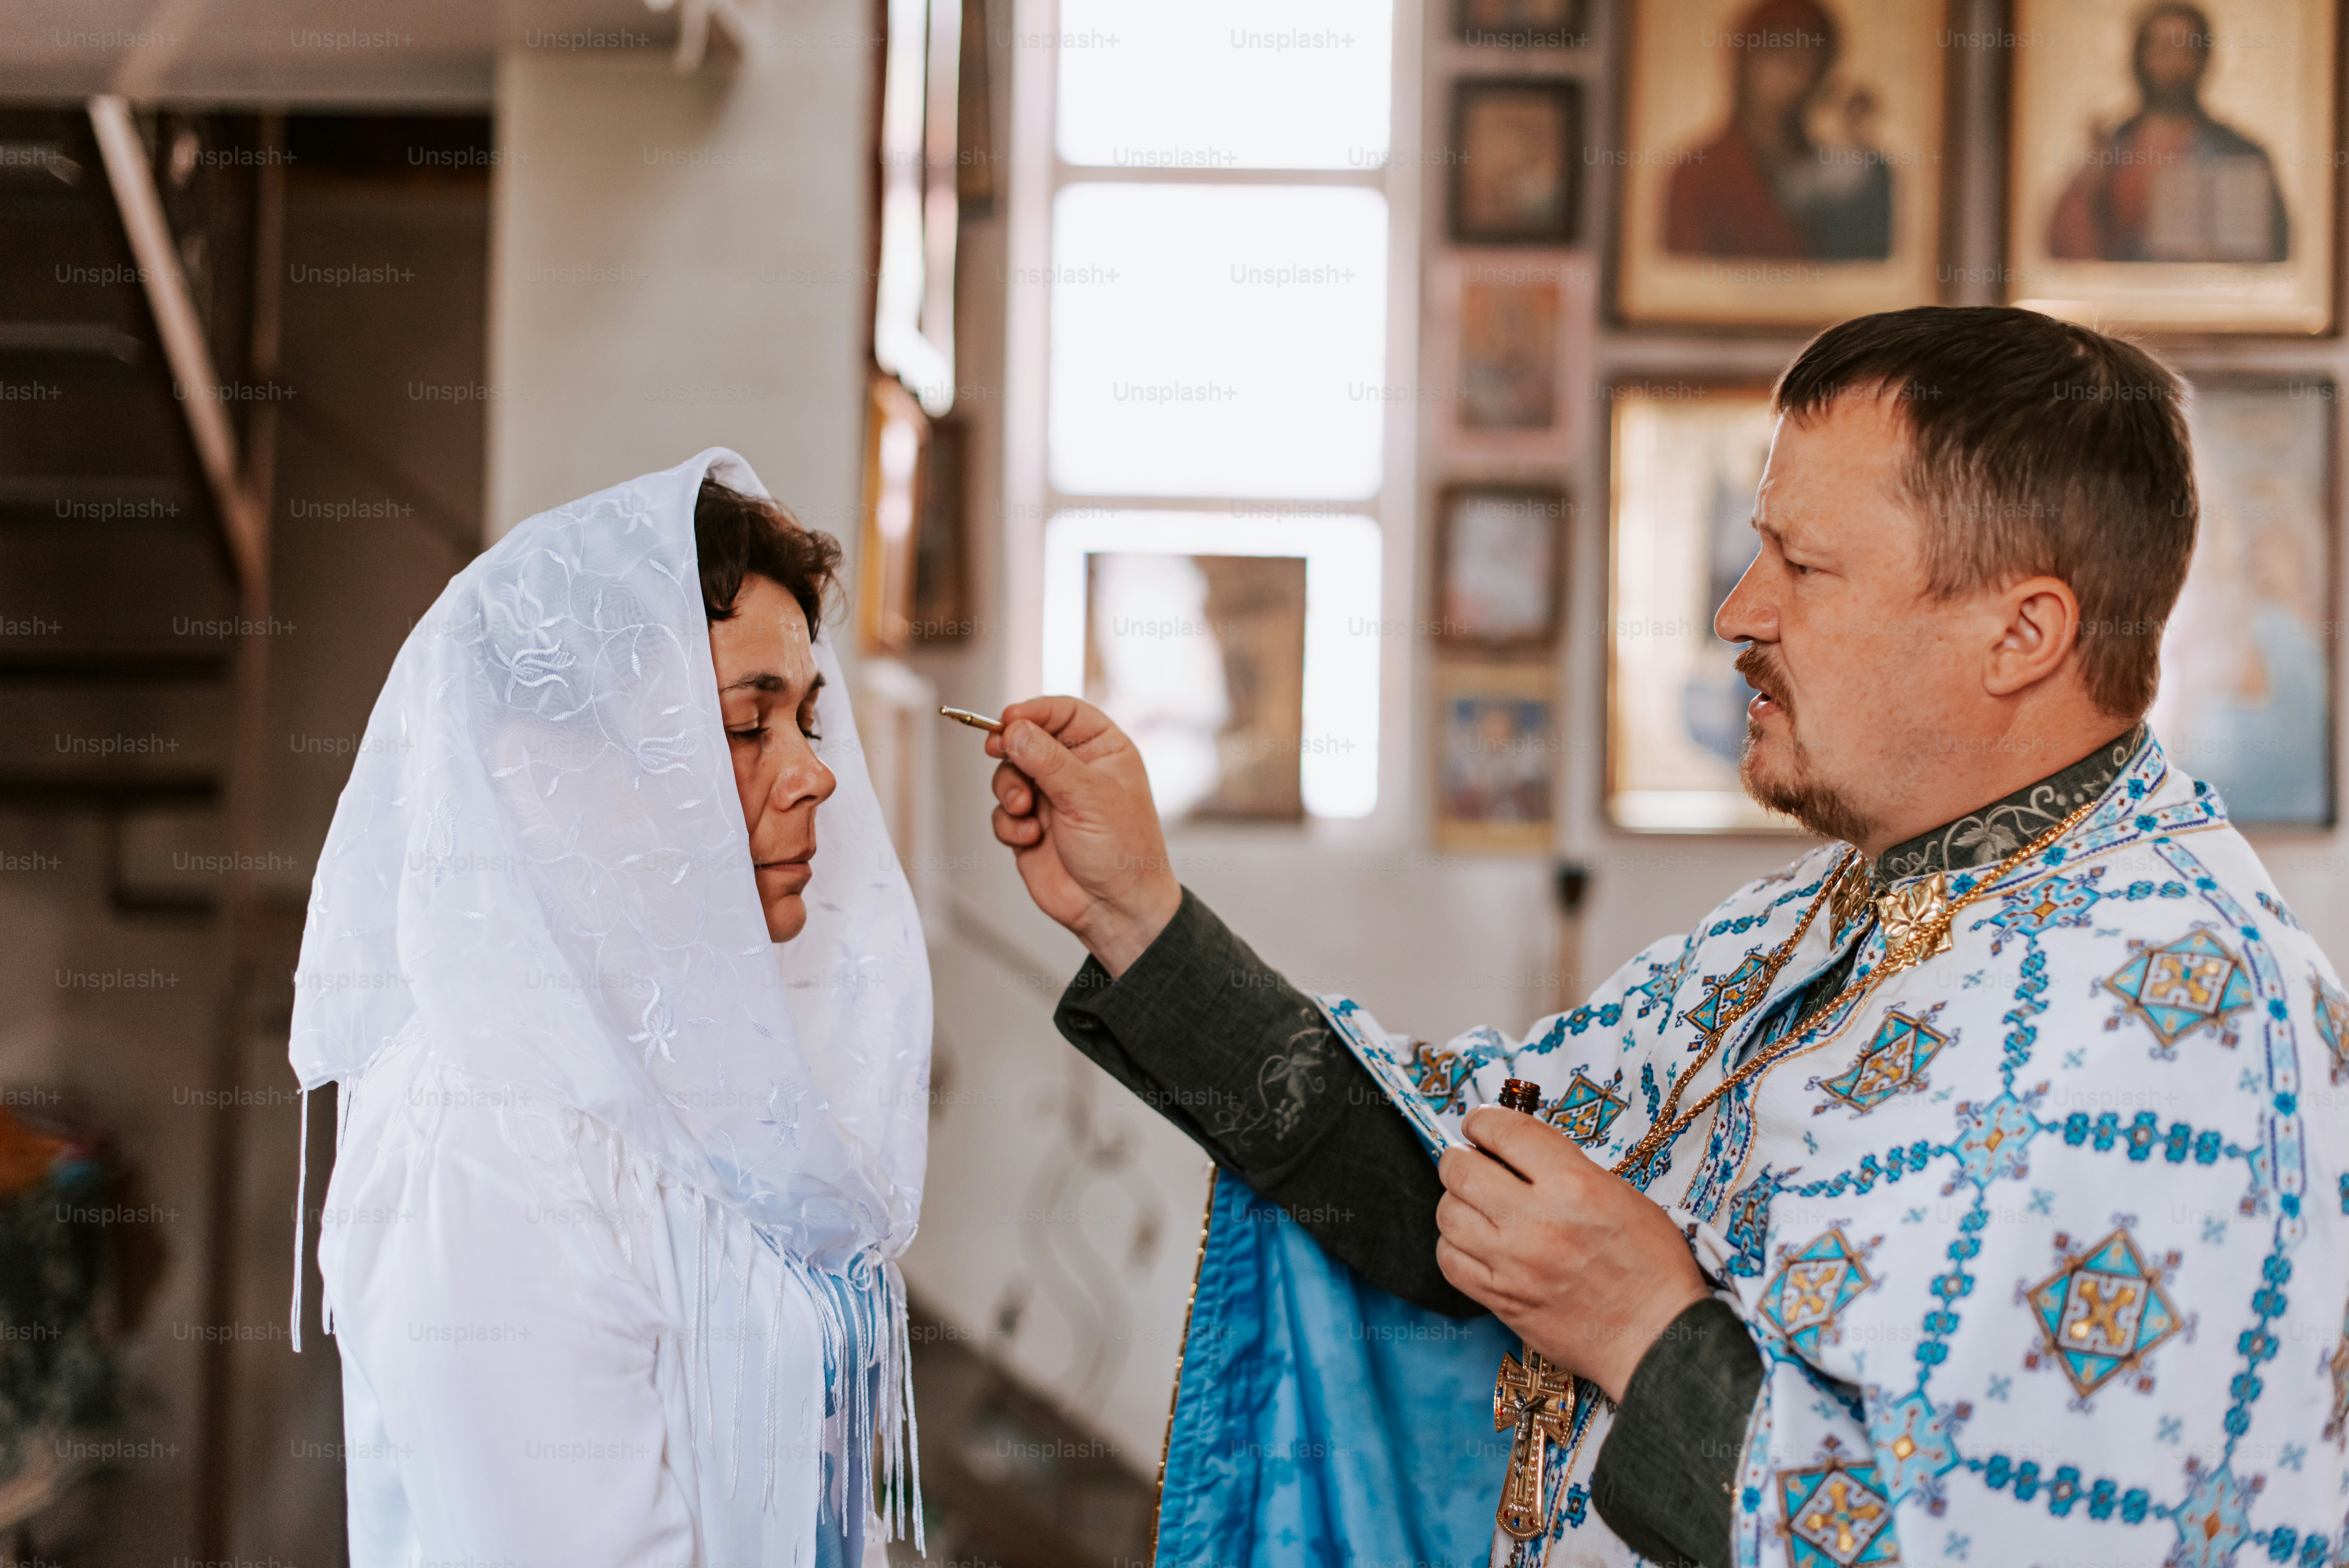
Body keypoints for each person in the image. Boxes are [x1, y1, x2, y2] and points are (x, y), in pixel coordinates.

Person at [984, 308, 2349, 1567]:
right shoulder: (1822, 908)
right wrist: (1134, 914)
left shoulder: (2192, 1014)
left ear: (2019, 633)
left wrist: (1642, 1324)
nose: (1737, 610)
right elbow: (1453, 1174)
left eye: (1802, 565)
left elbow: (2030, 1532)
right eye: (1759, 548)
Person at [287, 451, 931, 1568]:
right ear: (547, 768)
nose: (813, 775)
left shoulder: (703, 1079)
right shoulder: (488, 1131)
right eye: (746, 727)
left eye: (806, 724)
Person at [2046, 1, 2288, 264]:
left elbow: (2273, 251)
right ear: (2140, 58)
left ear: (2204, 59)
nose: (2174, 65)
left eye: (2186, 51)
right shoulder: (2113, 150)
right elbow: (2067, 249)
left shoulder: (2238, 153)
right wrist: (2095, 188)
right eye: (2162, 51)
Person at [1663, 0, 1892, 261]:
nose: (1789, 72)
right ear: (1745, 62)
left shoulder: (1853, 174)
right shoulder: (1700, 173)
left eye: (1806, 58)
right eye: (1777, 51)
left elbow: (1865, 266)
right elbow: (1684, 275)